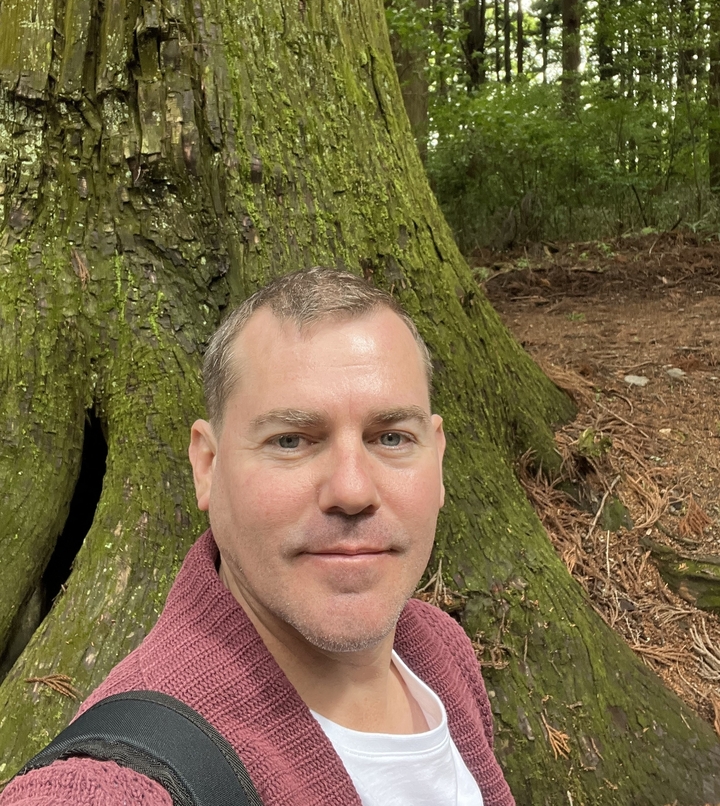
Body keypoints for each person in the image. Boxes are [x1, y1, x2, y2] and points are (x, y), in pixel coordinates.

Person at [1, 268, 515, 806]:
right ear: (207, 466)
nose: (353, 489)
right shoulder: (121, 784)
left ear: (437, 456)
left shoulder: (438, 649)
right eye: (291, 440)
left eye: (391, 437)